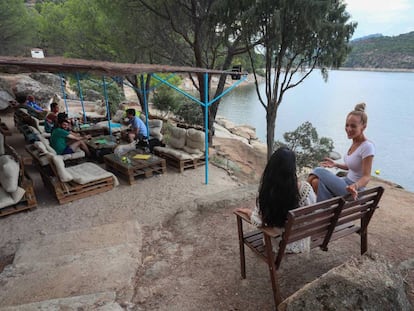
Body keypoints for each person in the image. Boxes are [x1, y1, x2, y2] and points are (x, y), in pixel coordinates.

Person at [235, 147, 316, 253]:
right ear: (292, 168)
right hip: (301, 240)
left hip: (278, 243)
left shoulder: (266, 191)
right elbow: (312, 211)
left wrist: (249, 213)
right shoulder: (305, 189)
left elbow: (259, 221)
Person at [307, 103, 375, 201]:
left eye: (353, 126)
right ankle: (325, 211)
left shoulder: (367, 147)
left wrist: (354, 186)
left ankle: (301, 200)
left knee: (318, 170)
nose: (348, 129)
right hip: (346, 183)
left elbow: (366, 176)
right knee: (315, 182)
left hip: (354, 190)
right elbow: (351, 166)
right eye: (347, 125)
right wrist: (336, 164)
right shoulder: (355, 143)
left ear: (363, 127)